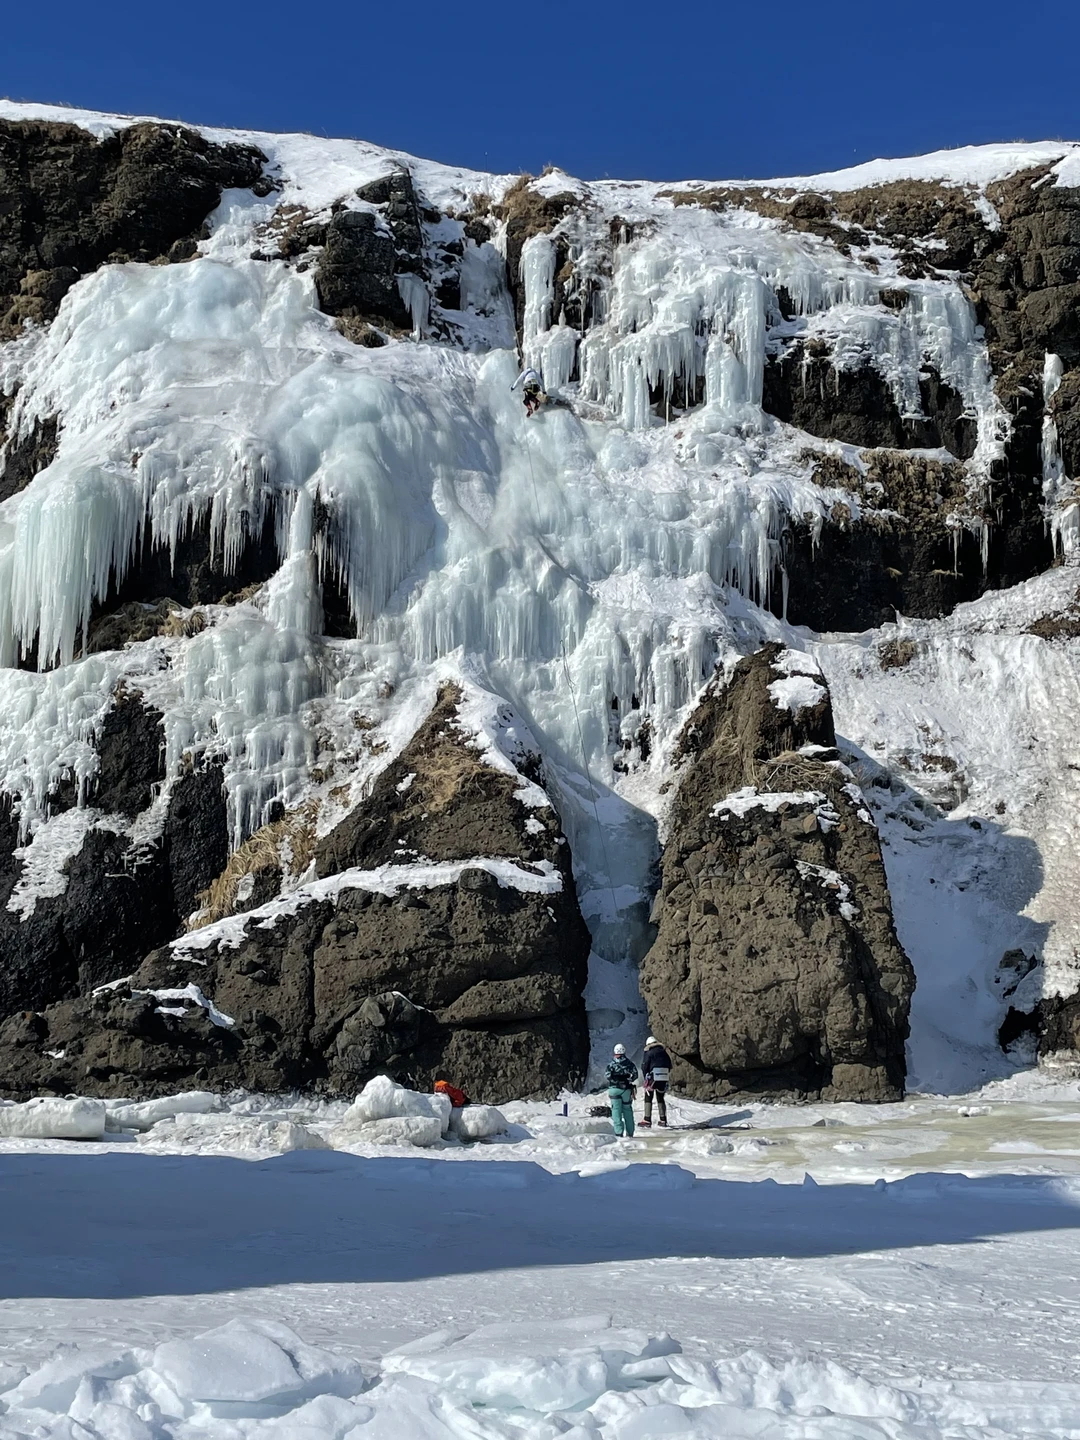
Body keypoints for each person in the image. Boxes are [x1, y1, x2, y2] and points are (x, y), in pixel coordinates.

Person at [605, 1042, 638, 1138]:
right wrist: (629, 1080)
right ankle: (630, 1132)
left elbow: (607, 1075)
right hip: (626, 1089)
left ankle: (619, 1133)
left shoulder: (611, 1064)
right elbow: (635, 1075)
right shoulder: (629, 1064)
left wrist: (614, 1080)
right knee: (627, 1110)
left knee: (616, 1111)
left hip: (614, 1089)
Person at [640, 1035, 672, 1128]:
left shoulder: (648, 1052)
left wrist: (646, 1076)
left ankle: (647, 1119)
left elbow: (645, 1065)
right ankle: (663, 1119)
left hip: (653, 1076)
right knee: (660, 1097)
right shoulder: (664, 1052)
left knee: (648, 1096)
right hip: (664, 1077)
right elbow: (670, 1065)